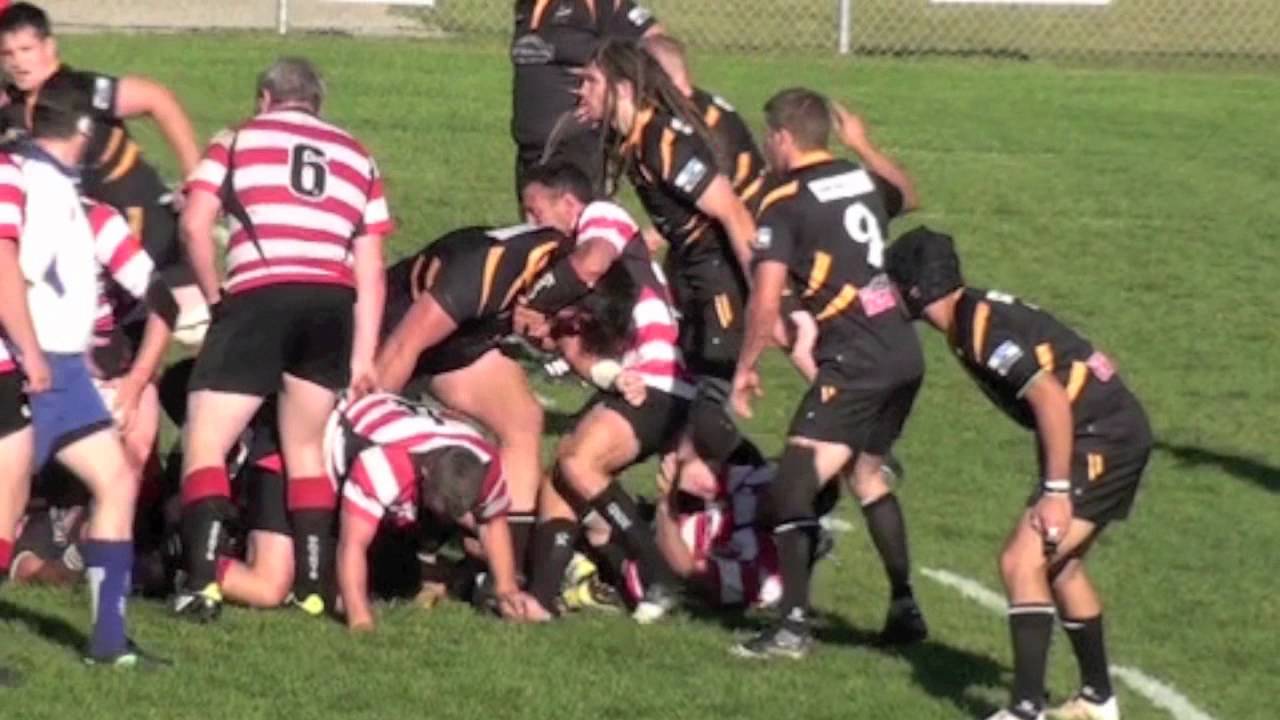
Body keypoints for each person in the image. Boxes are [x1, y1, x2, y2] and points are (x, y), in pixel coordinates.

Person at [885, 227, 1153, 720]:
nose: (889, 291)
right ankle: (1098, 699)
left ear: (917, 289)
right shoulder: (972, 317)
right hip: (1108, 428)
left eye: (894, 282)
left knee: (1019, 561)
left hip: (1102, 435)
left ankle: (1026, 710)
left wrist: (1055, 491)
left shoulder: (978, 330)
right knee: (1059, 564)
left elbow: (1050, 397)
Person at [173, 57, 391, 622]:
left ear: (266, 98)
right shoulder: (356, 154)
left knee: (206, 441)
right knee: (304, 448)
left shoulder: (237, 138)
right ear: (316, 102)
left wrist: (216, 294)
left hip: (261, 295)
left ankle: (200, 583)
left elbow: (195, 223)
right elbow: (370, 266)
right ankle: (314, 588)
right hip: (332, 307)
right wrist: (364, 354)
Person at [730, 88, 925, 659]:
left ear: (783, 138)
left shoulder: (785, 199)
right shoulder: (858, 177)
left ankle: (790, 628)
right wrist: (864, 145)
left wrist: (747, 365)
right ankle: (903, 606)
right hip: (901, 351)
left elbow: (765, 300)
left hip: (857, 359)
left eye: (769, 136)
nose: (767, 145)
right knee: (866, 478)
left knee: (791, 485)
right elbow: (908, 195)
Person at [0, 78, 160, 666]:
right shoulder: (19, 175)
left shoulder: (59, 187)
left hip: (59, 369)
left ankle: (109, 642)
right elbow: (7, 268)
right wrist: (32, 351)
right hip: (25, 363)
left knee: (115, 481)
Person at [517, 161, 693, 623]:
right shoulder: (566, 273)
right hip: (635, 380)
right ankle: (542, 599)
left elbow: (592, 261)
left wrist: (536, 303)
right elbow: (577, 356)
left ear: (569, 203)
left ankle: (659, 576)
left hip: (663, 375)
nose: (531, 224)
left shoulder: (601, 218)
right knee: (562, 476)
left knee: (580, 463)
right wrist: (604, 371)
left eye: (536, 211)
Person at [578, 39, 757, 431]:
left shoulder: (663, 142)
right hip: (691, 271)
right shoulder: (631, 138)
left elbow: (731, 211)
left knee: (709, 412)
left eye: (591, 82)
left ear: (623, 89)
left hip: (718, 277)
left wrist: (762, 294)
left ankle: (774, 482)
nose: (581, 90)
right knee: (683, 407)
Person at [0, 3, 207, 343]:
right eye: (8, 53)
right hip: (94, 254)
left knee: (197, 331)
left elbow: (158, 100)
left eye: (26, 49)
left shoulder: (82, 90)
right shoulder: (11, 114)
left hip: (151, 236)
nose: (18, 62)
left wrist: (196, 178)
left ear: (49, 47)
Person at [375, 223, 569, 577]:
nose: (546, 337)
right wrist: (368, 423)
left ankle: (507, 563)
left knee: (522, 419)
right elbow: (404, 346)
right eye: (548, 322)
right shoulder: (481, 273)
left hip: (458, 337)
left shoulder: (562, 264)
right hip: (394, 329)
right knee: (388, 435)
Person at [328, 391, 537, 630]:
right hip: (341, 449)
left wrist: (506, 589)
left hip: (409, 469)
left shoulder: (484, 462)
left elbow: (491, 522)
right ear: (425, 473)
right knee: (375, 581)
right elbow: (353, 544)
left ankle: (437, 566)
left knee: (403, 578)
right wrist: (360, 621)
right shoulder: (382, 465)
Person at [510, 0, 661, 198]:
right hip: (530, 150)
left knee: (580, 224)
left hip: (577, 145)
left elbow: (656, 42)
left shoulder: (597, 5)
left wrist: (609, 92)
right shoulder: (527, 6)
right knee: (537, 225)